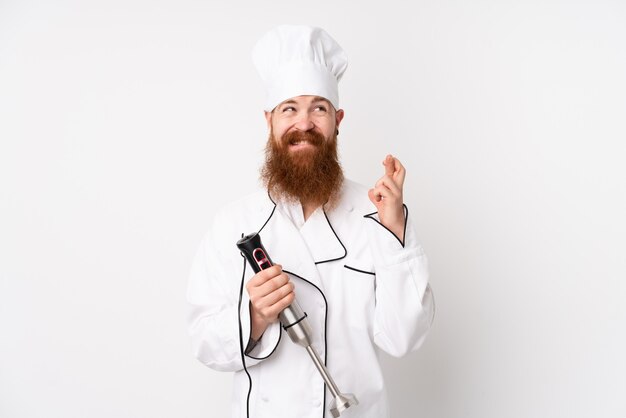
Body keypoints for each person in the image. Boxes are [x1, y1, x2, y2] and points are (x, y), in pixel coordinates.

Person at [187, 25, 435, 418]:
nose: (304, 123)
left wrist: (394, 232)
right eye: (289, 109)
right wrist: (254, 317)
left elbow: (404, 338)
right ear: (269, 121)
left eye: (318, 108)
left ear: (337, 120)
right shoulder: (233, 223)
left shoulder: (377, 213)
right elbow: (205, 344)